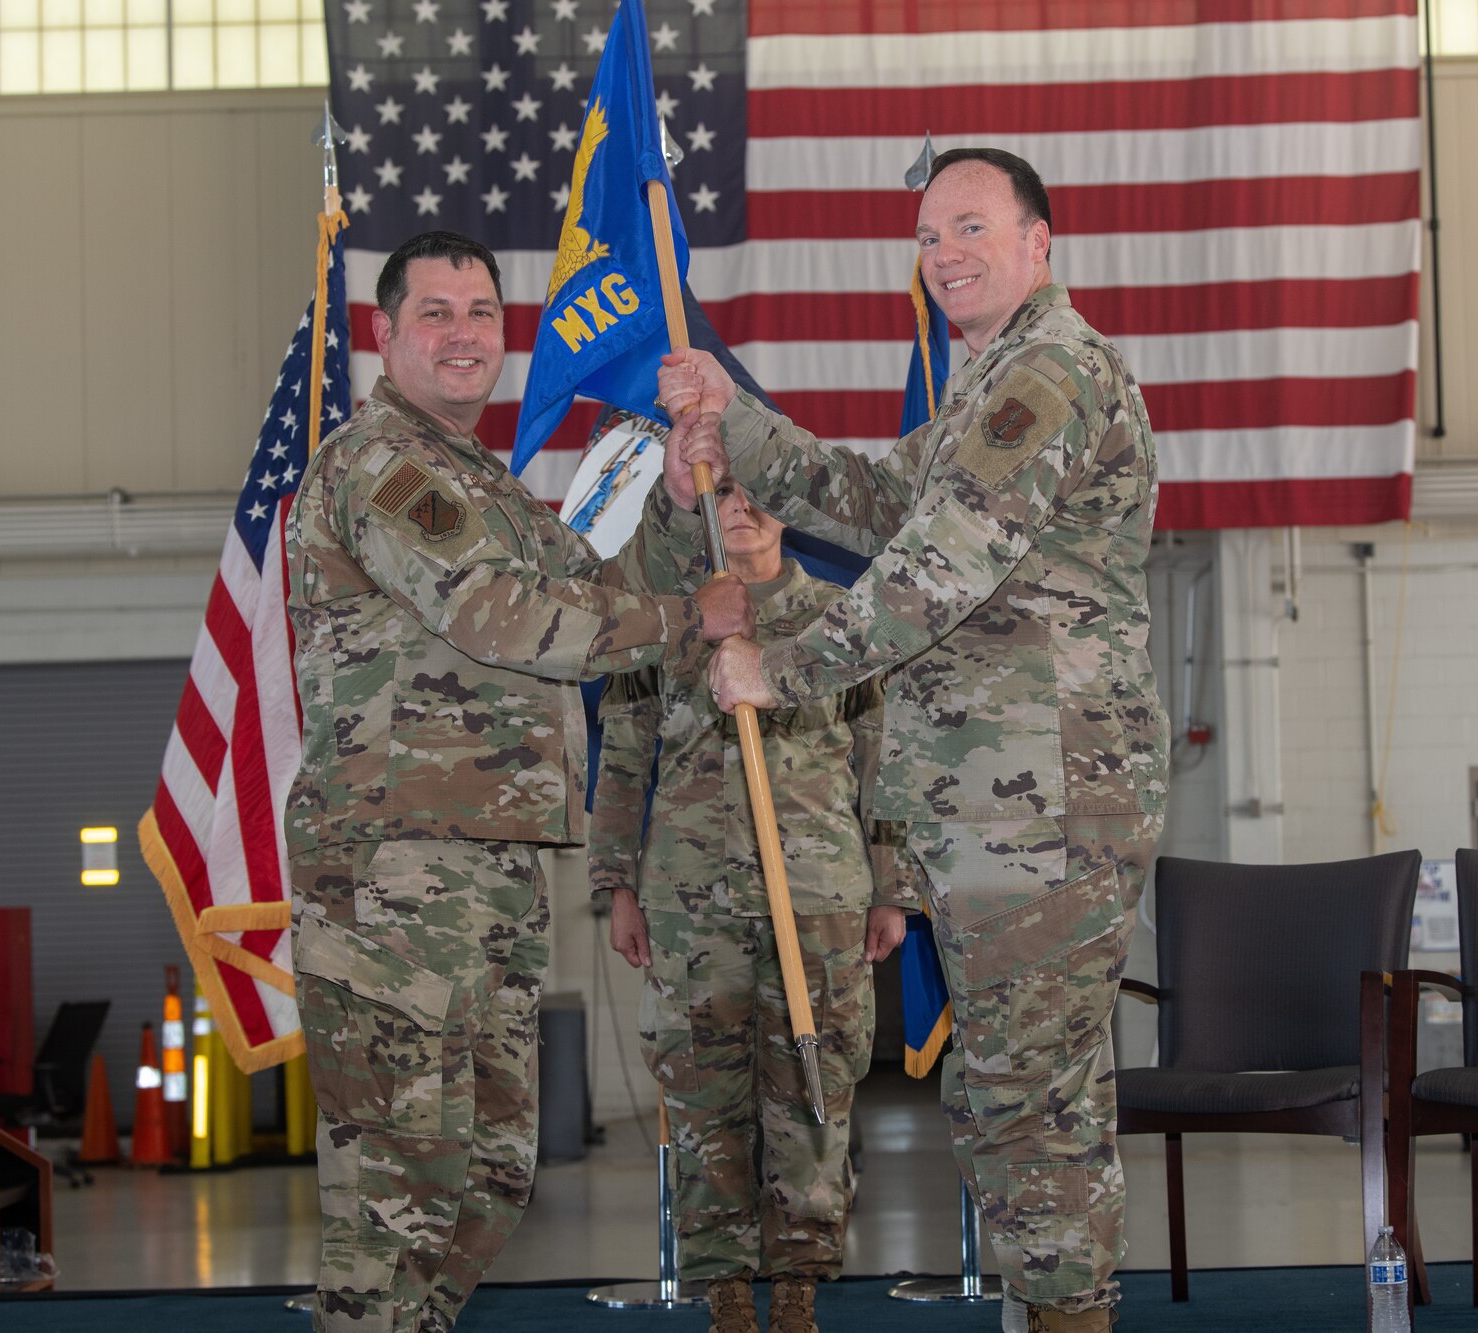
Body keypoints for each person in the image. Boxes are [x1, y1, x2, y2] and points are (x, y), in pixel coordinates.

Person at [652, 149, 1168, 1332]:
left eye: (972, 227)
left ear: (1040, 242)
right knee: (1009, 1097)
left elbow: (935, 570)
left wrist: (776, 668)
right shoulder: (987, 384)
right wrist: (741, 422)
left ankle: (1065, 1317)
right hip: (994, 801)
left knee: (1027, 1102)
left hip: (1044, 802)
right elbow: (887, 510)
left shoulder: (1045, 373)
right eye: (929, 234)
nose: (943, 254)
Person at [282, 229, 752, 1333]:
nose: (462, 334)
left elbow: (592, 587)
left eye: (482, 313)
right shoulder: (382, 467)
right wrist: (690, 620)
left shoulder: (480, 484)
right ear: (382, 334)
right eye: (434, 313)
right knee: (398, 1193)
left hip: (481, 871)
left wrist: (683, 513)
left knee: (485, 1176)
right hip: (396, 872)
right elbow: (508, 617)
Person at [591, 476, 915, 1333]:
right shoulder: (669, 616)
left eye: (760, 490)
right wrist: (615, 885)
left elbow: (885, 761)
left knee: (814, 1085)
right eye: (722, 490)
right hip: (690, 899)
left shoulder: (842, 614)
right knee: (704, 1094)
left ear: (791, 507)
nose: (741, 506)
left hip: (817, 896)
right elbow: (622, 759)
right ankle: (727, 1285)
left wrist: (893, 888)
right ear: (700, 505)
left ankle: (801, 1281)